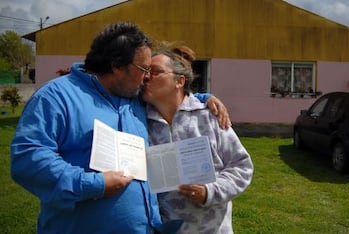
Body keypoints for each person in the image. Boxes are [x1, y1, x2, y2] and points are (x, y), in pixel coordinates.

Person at [10, 22, 230, 233]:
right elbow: (27, 158)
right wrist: (94, 184)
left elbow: (172, 94)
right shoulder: (56, 97)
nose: (146, 78)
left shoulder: (134, 98)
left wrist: (204, 98)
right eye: (143, 69)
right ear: (116, 65)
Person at [141, 43, 254, 233]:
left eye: (155, 72)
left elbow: (241, 166)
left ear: (179, 81)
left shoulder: (209, 117)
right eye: (145, 71)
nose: (146, 77)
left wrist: (210, 192)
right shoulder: (140, 121)